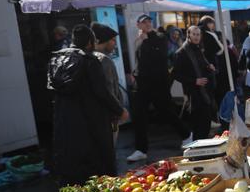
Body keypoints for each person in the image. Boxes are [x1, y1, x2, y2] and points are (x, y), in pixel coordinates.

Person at [48, 25, 127, 186]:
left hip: (65, 122)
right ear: (90, 42)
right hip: (91, 121)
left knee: (73, 162)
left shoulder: (56, 59)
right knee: (99, 163)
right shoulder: (90, 61)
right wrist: (119, 110)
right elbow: (102, 92)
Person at [127, 15, 190, 162]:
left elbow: (160, 57)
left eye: (149, 21)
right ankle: (141, 149)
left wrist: (146, 40)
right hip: (142, 83)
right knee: (139, 115)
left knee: (166, 111)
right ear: (138, 25)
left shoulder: (160, 37)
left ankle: (186, 135)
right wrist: (134, 73)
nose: (147, 24)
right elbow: (141, 60)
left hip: (157, 83)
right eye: (144, 22)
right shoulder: (140, 40)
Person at [173, 26, 216, 143]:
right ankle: (197, 151)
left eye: (198, 34)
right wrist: (194, 81)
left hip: (204, 93)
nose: (197, 37)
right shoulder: (181, 52)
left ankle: (203, 149)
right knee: (197, 126)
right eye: (194, 34)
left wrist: (209, 67)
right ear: (189, 35)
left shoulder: (198, 49)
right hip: (193, 94)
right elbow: (176, 74)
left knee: (206, 123)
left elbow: (202, 67)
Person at [89, 22, 127, 146]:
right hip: (107, 118)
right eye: (112, 40)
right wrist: (119, 111)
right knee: (108, 152)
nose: (114, 44)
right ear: (104, 41)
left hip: (94, 116)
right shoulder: (104, 60)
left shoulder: (88, 57)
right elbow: (108, 91)